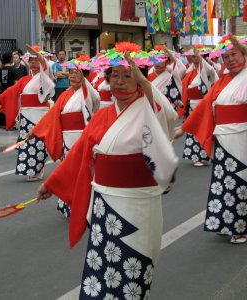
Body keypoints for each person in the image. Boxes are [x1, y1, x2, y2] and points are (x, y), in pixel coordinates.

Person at [36, 43, 178, 299]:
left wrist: (146, 84)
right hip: (104, 204)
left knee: (131, 270)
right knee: (102, 268)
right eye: (115, 75)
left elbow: (168, 116)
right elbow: (78, 155)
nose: (120, 82)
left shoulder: (150, 109)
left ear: (140, 78)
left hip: (138, 204)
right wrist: (52, 183)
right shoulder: (103, 115)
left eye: (128, 75)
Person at [174, 34, 247, 244]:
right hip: (222, 137)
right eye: (226, 57)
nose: (230, 59)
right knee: (223, 182)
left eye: (234, 54)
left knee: (239, 181)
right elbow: (206, 105)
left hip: (242, 135)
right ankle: (226, 222)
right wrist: (183, 129)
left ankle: (240, 226)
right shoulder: (222, 82)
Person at [29, 65, 100, 218]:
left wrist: (85, 82)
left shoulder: (88, 93)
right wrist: (35, 131)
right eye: (71, 73)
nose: (73, 76)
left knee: (83, 171)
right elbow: (52, 115)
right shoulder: (65, 94)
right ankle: (69, 205)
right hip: (67, 137)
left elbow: (95, 99)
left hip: (82, 136)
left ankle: (84, 206)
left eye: (77, 74)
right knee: (67, 170)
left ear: (85, 76)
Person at [0, 44, 55, 181]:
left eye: (36, 60)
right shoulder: (25, 80)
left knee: (38, 143)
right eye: (31, 60)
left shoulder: (45, 75)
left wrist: (37, 54)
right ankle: (30, 169)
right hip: (26, 115)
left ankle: (38, 168)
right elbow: (11, 91)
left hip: (39, 114)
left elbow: (44, 64)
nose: (33, 63)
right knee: (27, 144)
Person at [178, 46, 218, 167]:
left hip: (203, 103)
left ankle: (204, 155)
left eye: (196, 57)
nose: (194, 59)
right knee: (194, 131)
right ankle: (196, 157)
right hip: (193, 104)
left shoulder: (207, 70)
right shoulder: (190, 71)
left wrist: (200, 59)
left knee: (204, 129)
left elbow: (211, 72)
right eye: (193, 57)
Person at [148, 45, 186, 111]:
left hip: (169, 109)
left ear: (167, 61)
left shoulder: (172, 74)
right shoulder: (149, 74)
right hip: (154, 109)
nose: (157, 64)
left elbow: (183, 69)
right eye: (154, 60)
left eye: (160, 60)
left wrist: (171, 56)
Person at [0, 52, 16, 128]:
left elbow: (1, 83)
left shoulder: (2, 70)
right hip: (11, 92)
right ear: (11, 59)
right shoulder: (13, 69)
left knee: (2, 107)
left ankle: (2, 123)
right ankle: (9, 124)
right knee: (10, 108)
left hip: (3, 91)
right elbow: (15, 83)